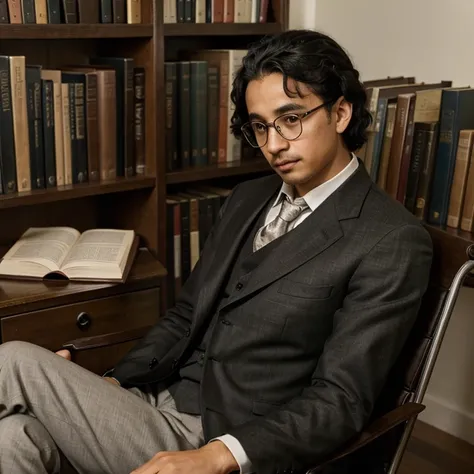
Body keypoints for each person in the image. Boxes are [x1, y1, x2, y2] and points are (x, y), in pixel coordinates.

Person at [0, 29, 432, 474]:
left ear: (341, 113)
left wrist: (218, 455)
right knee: (11, 437)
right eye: (260, 127)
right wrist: (110, 383)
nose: (274, 144)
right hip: (152, 397)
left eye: (291, 119)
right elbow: (187, 316)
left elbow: (340, 401)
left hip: (218, 437)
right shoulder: (248, 197)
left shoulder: (391, 239)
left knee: (13, 359)